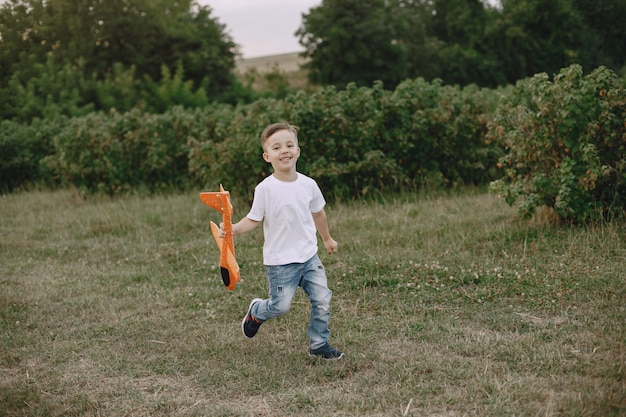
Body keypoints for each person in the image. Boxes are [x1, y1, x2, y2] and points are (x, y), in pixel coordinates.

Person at [219, 121, 344, 360]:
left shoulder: (309, 185)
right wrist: (233, 228)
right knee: (280, 306)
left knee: (322, 298)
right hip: (280, 261)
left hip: (308, 256)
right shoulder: (265, 188)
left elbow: (319, 213)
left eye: (289, 145)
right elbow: (253, 219)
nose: (284, 150)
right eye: (276, 148)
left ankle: (319, 345)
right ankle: (257, 311)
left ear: (297, 150)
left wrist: (327, 239)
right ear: (267, 156)